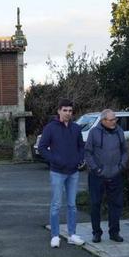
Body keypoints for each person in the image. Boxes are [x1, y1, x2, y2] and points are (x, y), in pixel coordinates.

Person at [38, 98, 85, 248]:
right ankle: (55, 235)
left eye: (70, 111)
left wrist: (79, 159)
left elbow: (81, 146)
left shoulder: (76, 128)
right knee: (56, 204)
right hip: (57, 172)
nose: (67, 113)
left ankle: (72, 234)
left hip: (73, 172)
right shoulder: (50, 128)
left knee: (72, 205)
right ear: (59, 111)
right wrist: (55, 160)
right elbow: (42, 148)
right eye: (65, 110)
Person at [84, 109, 128, 243]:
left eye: (115, 119)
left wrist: (121, 166)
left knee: (116, 204)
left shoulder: (119, 131)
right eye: (111, 120)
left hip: (116, 175)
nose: (114, 122)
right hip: (97, 175)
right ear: (103, 121)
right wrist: (97, 169)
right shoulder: (94, 132)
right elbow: (88, 152)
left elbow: (125, 151)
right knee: (95, 204)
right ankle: (96, 233)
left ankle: (114, 232)